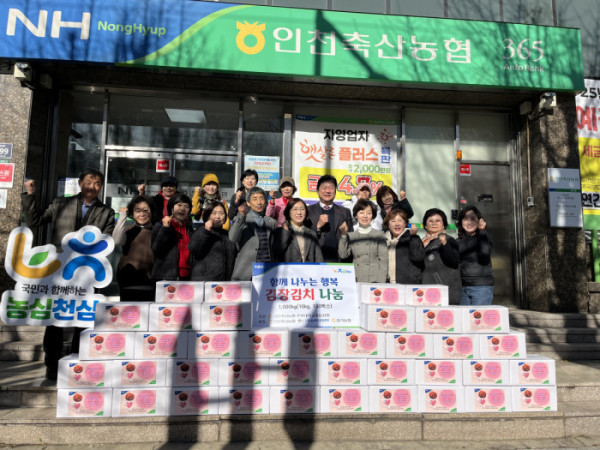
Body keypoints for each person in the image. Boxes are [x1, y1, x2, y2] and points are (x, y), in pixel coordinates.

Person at [21, 168, 115, 382]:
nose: (92, 187)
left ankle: (78, 364)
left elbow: (107, 240)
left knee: (83, 319)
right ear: (80, 183)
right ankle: (52, 365)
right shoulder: (60, 203)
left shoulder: (106, 212)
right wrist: (30, 195)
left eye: (97, 183)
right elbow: (35, 221)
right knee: (55, 319)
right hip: (59, 271)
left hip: (87, 273)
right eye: (89, 182)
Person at [230, 186, 277, 280]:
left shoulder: (272, 222)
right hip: (246, 272)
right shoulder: (241, 219)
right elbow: (232, 238)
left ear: (265, 201)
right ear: (248, 203)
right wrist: (241, 215)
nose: (259, 202)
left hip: (267, 270)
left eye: (261, 198)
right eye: (255, 199)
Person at [113, 195, 155, 302]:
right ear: (132, 213)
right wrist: (122, 217)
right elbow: (116, 241)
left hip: (150, 282)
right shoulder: (127, 230)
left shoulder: (157, 231)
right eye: (137, 211)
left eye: (145, 210)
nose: (142, 214)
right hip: (128, 280)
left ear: (152, 212)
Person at [338, 199, 388, 283]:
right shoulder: (351, 236)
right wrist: (343, 235)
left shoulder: (379, 235)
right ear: (356, 215)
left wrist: (380, 282)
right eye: (361, 213)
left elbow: (384, 261)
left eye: (368, 213)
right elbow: (343, 255)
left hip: (374, 279)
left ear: (373, 216)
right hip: (356, 278)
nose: (365, 216)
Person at [307, 174, 354, 262]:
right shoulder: (308, 211)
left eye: (331, 188)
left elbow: (351, 238)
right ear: (317, 191)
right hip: (315, 261)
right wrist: (317, 227)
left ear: (335, 191)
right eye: (324, 188)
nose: (328, 191)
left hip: (338, 261)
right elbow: (305, 238)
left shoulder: (345, 212)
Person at [421, 208, 461, 305]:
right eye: (430, 221)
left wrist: (444, 243)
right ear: (425, 225)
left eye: (438, 220)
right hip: (427, 291)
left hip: (444, 291)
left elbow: (454, 261)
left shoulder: (448, 240)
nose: (434, 223)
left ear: (443, 224)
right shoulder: (423, 242)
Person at [189, 201, 236, 281]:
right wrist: (206, 231)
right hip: (204, 281)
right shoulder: (201, 231)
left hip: (223, 281)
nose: (217, 216)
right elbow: (194, 249)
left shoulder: (227, 234)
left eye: (221, 213)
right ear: (207, 216)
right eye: (214, 213)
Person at [151, 193, 193, 281]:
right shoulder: (161, 226)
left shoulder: (190, 230)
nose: (182, 209)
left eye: (186, 206)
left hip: (187, 277)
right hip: (166, 277)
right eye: (179, 205)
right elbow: (157, 249)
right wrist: (165, 228)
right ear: (171, 208)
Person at [457, 206, 494, 305]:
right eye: (465, 219)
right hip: (463, 287)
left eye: (473, 219)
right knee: (464, 315)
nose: (469, 222)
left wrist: (482, 230)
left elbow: (484, 254)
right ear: (461, 222)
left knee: (479, 315)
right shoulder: (459, 241)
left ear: (479, 221)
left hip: (481, 288)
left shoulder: (483, 237)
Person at [271, 198, 323, 263]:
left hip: (308, 269)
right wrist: (285, 232)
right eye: (295, 209)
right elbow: (276, 253)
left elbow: (318, 257)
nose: (299, 212)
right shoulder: (279, 232)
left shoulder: (312, 233)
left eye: (302, 209)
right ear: (288, 212)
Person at [383, 209, 425, 284]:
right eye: (393, 221)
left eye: (400, 220)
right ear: (388, 224)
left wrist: (413, 237)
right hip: (387, 285)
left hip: (407, 285)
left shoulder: (412, 238)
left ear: (405, 223)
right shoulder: (382, 240)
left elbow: (418, 258)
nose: (397, 224)